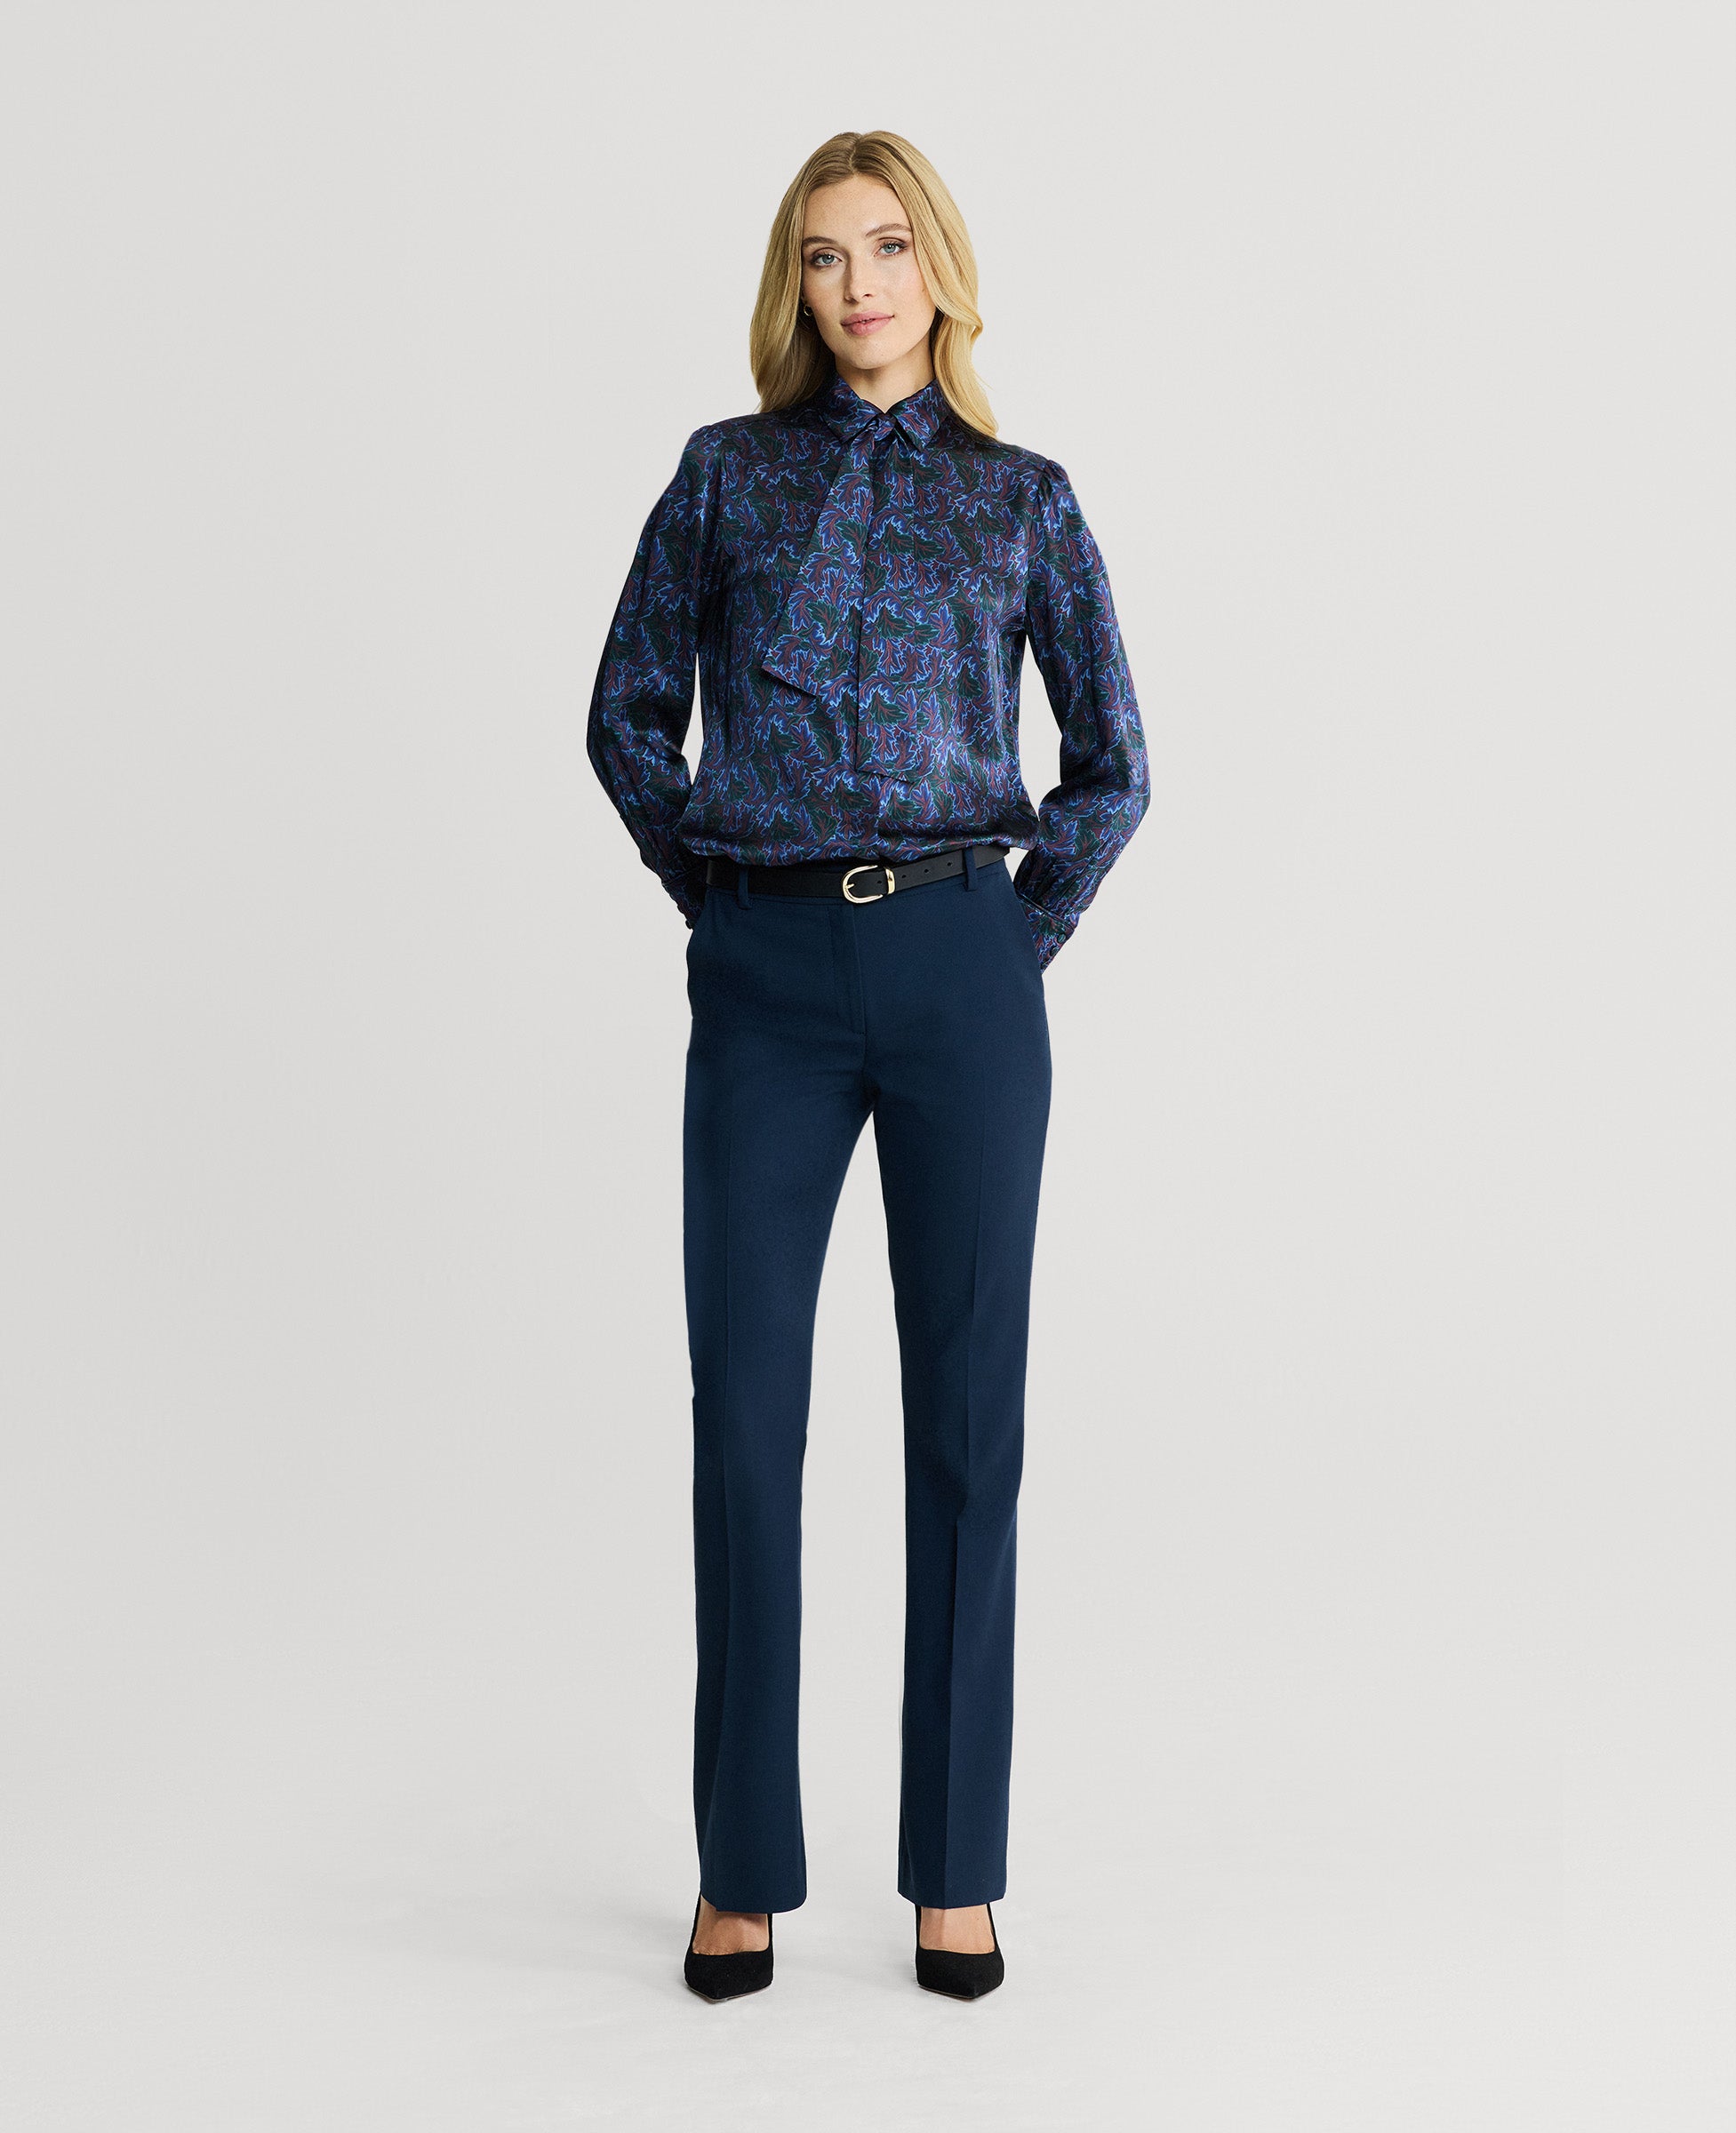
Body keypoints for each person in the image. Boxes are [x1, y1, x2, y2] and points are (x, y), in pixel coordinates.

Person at [587, 129, 1149, 2001]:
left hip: (957, 966)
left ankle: (955, 1872)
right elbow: (625, 714)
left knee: (966, 1426)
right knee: (744, 1418)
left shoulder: (1021, 500)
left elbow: (1112, 762)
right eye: (824, 256)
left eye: (888, 247)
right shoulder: (723, 477)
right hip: (763, 972)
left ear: (939, 271)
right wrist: (719, 897)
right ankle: (739, 1863)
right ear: (793, 284)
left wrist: (1002, 942)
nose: (858, 286)